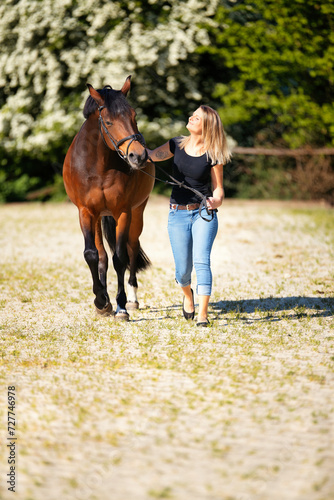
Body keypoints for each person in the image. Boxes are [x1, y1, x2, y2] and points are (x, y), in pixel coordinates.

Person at [147, 105, 231, 326]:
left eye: (197, 117)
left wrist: (217, 200)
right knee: (182, 270)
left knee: (202, 262)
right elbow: (150, 156)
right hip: (178, 214)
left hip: (203, 212)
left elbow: (219, 189)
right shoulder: (176, 144)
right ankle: (187, 296)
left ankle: (202, 314)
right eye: (191, 114)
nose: (191, 118)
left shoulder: (214, 153)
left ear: (207, 126)